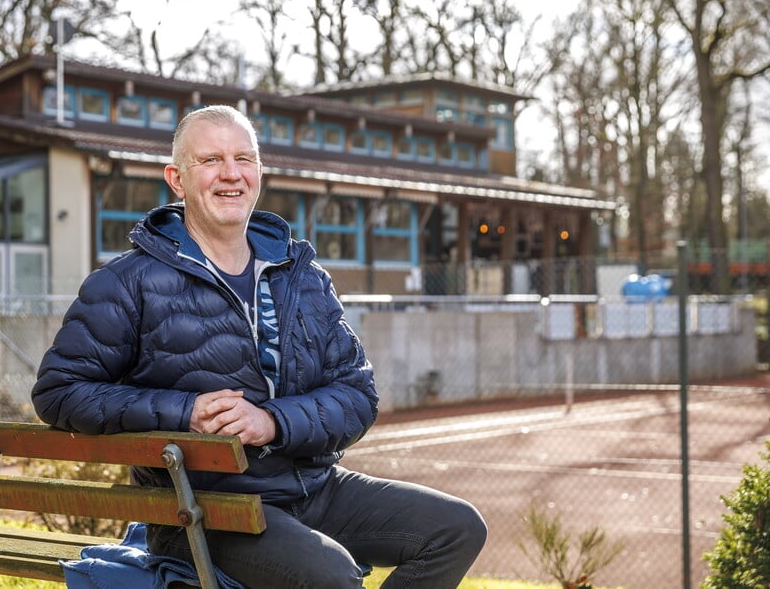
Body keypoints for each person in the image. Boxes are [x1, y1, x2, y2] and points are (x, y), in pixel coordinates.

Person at [33, 105, 486, 588]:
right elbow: (59, 392)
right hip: (203, 507)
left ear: (259, 172)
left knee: (457, 529)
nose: (231, 174)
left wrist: (272, 421)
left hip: (312, 487)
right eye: (210, 161)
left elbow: (357, 394)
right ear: (177, 179)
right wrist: (184, 411)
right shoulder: (126, 283)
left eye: (243, 159)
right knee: (332, 576)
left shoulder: (304, 277)